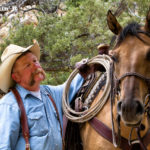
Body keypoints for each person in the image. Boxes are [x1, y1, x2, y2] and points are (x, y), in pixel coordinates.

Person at [0, 40, 85, 150]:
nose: (35, 66)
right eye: (28, 65)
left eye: (35, 61)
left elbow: (71, 85)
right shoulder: (9, 104)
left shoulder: (50, 93)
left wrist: (85, 68)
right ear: (16, 77)